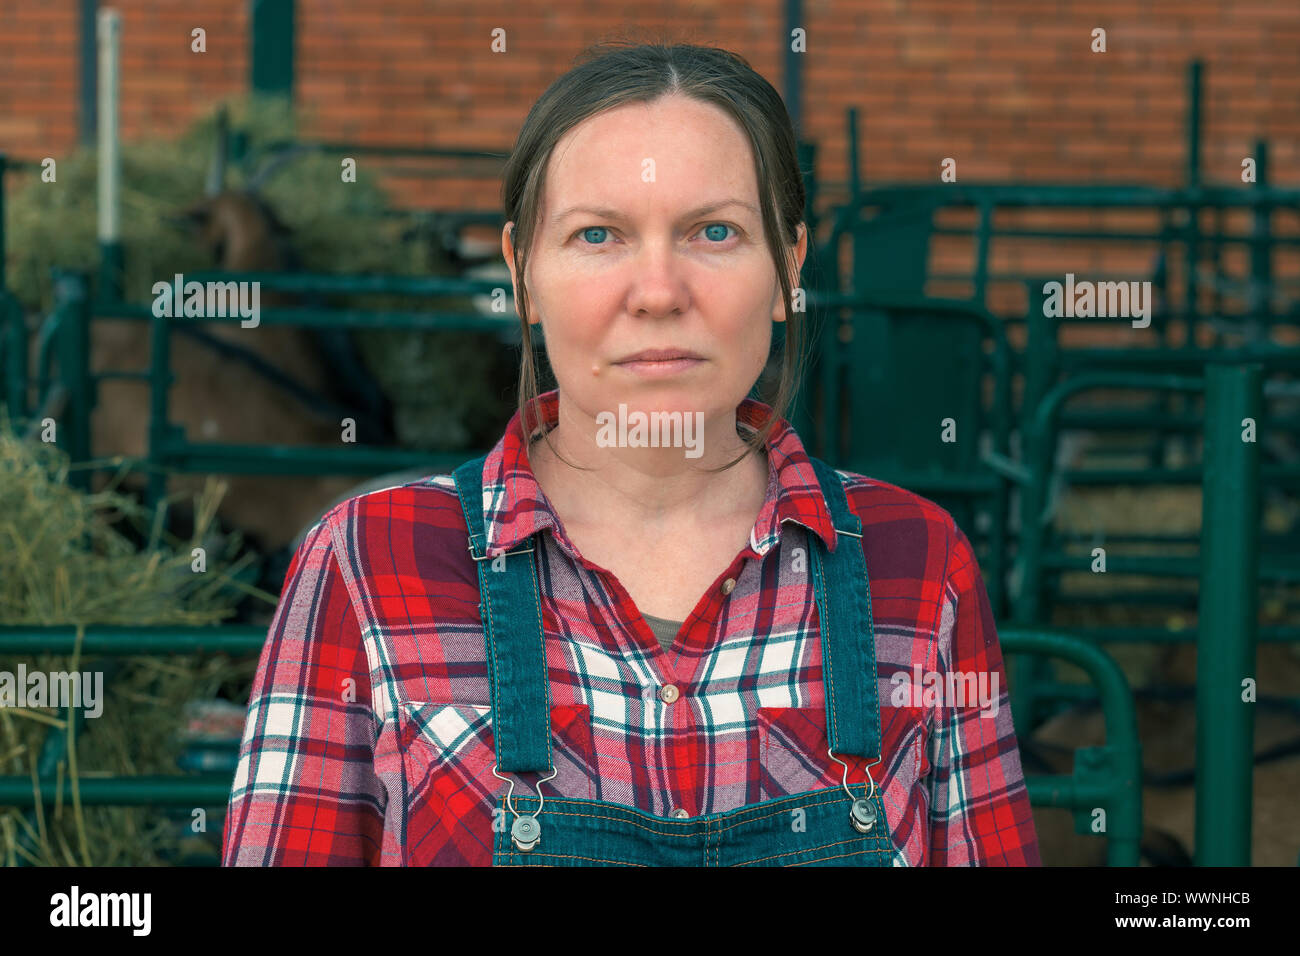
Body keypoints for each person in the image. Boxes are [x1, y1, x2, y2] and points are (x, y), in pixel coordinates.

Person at [222, 40, 1040, 866]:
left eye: (714, 231)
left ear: (790, 266)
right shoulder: (367, 562)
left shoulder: (919, 564)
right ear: (523, 274)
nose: (657, 292)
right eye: (598, 235)